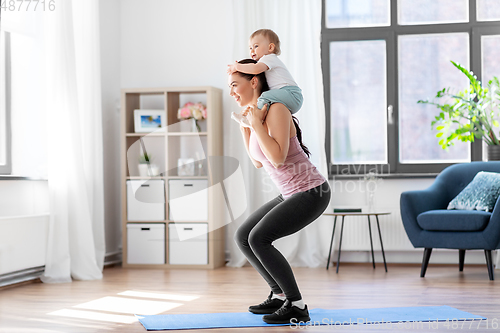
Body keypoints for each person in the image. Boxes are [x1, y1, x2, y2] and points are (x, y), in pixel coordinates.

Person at [228, 58, 331, 324]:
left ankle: (296, 304)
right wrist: (246, 127)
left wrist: (256, 125)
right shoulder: (258, 114)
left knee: (259, 238)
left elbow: (277, 157)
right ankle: (277, 294)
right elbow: (258, 161)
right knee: (243, 236)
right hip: (290, 192)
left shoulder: (277, 109)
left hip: (311, 191)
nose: (232, 92)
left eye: (234, 85)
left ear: (253, 81)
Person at [228, 29, 303, 128]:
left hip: (292, 94)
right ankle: (252, 117)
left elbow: (254, 69)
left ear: (270, 47)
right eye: (250, 48)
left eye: (256, 46)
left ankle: (254, 119)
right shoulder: (265, 63)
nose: (252, 51)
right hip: (290, 95)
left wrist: (236, 67)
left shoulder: (269, 58)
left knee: (264, 97)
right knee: (265, 99)